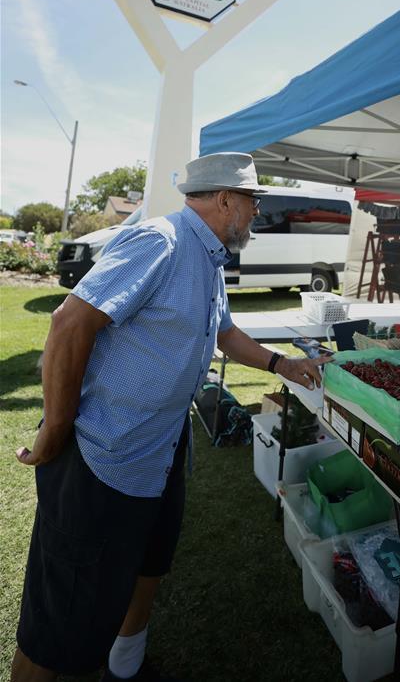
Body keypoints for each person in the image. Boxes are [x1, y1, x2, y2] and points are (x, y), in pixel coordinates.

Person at [12, 153, 331, 682]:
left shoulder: (209, 258)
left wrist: (283, 364)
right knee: (59, 621)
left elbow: (224, 332)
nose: (257, 212)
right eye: (252, 201)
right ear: (225, 200)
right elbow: (69, 323)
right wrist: (55, 430)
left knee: (148, 562)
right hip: (104, 454)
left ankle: (126, 666)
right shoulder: (160, 241)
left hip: (160, 447)